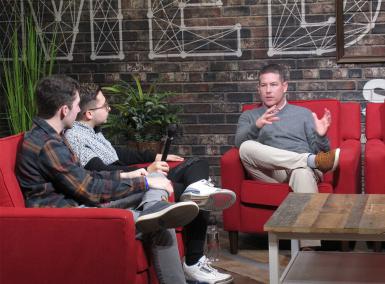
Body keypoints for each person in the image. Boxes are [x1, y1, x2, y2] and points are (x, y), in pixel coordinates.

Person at [16, 74, 201, 284]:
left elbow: (85, 177)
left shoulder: (52, 135)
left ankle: (154, 207)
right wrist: (144, 183)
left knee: (156, 179)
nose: (78, 111)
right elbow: (90, 190)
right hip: (70, 216)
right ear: (64, 110)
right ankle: (155, 210)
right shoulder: (47, 144)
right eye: (77, 105)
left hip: (78, 201)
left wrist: (127, 175)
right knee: (160, 218)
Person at [64, 85, 236, 284]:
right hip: (130, 180)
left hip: (138, 172)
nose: (110, 109)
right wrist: (146, 172)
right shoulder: (76, 136)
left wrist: (153, 156)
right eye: (106, 105)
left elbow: (118, 153)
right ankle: (194, 263)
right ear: (88, 113)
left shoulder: (94, 132)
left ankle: (198, 192)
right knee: (199, 197)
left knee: (198, 165)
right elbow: (101, 171)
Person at [235, 63, 340, 248]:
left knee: (302, 171)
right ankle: (309, 161)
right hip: (272, 173)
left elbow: (322, 151)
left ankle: (309, 248)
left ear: (285, 86)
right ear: (258, 88)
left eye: (273, 85)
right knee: (246, 147)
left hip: (303, 171)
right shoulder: (250, 116)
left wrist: (322, 136)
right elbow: (238, 144)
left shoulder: (304, 114)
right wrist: (257, 125)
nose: (268, 90)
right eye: (263, 85)